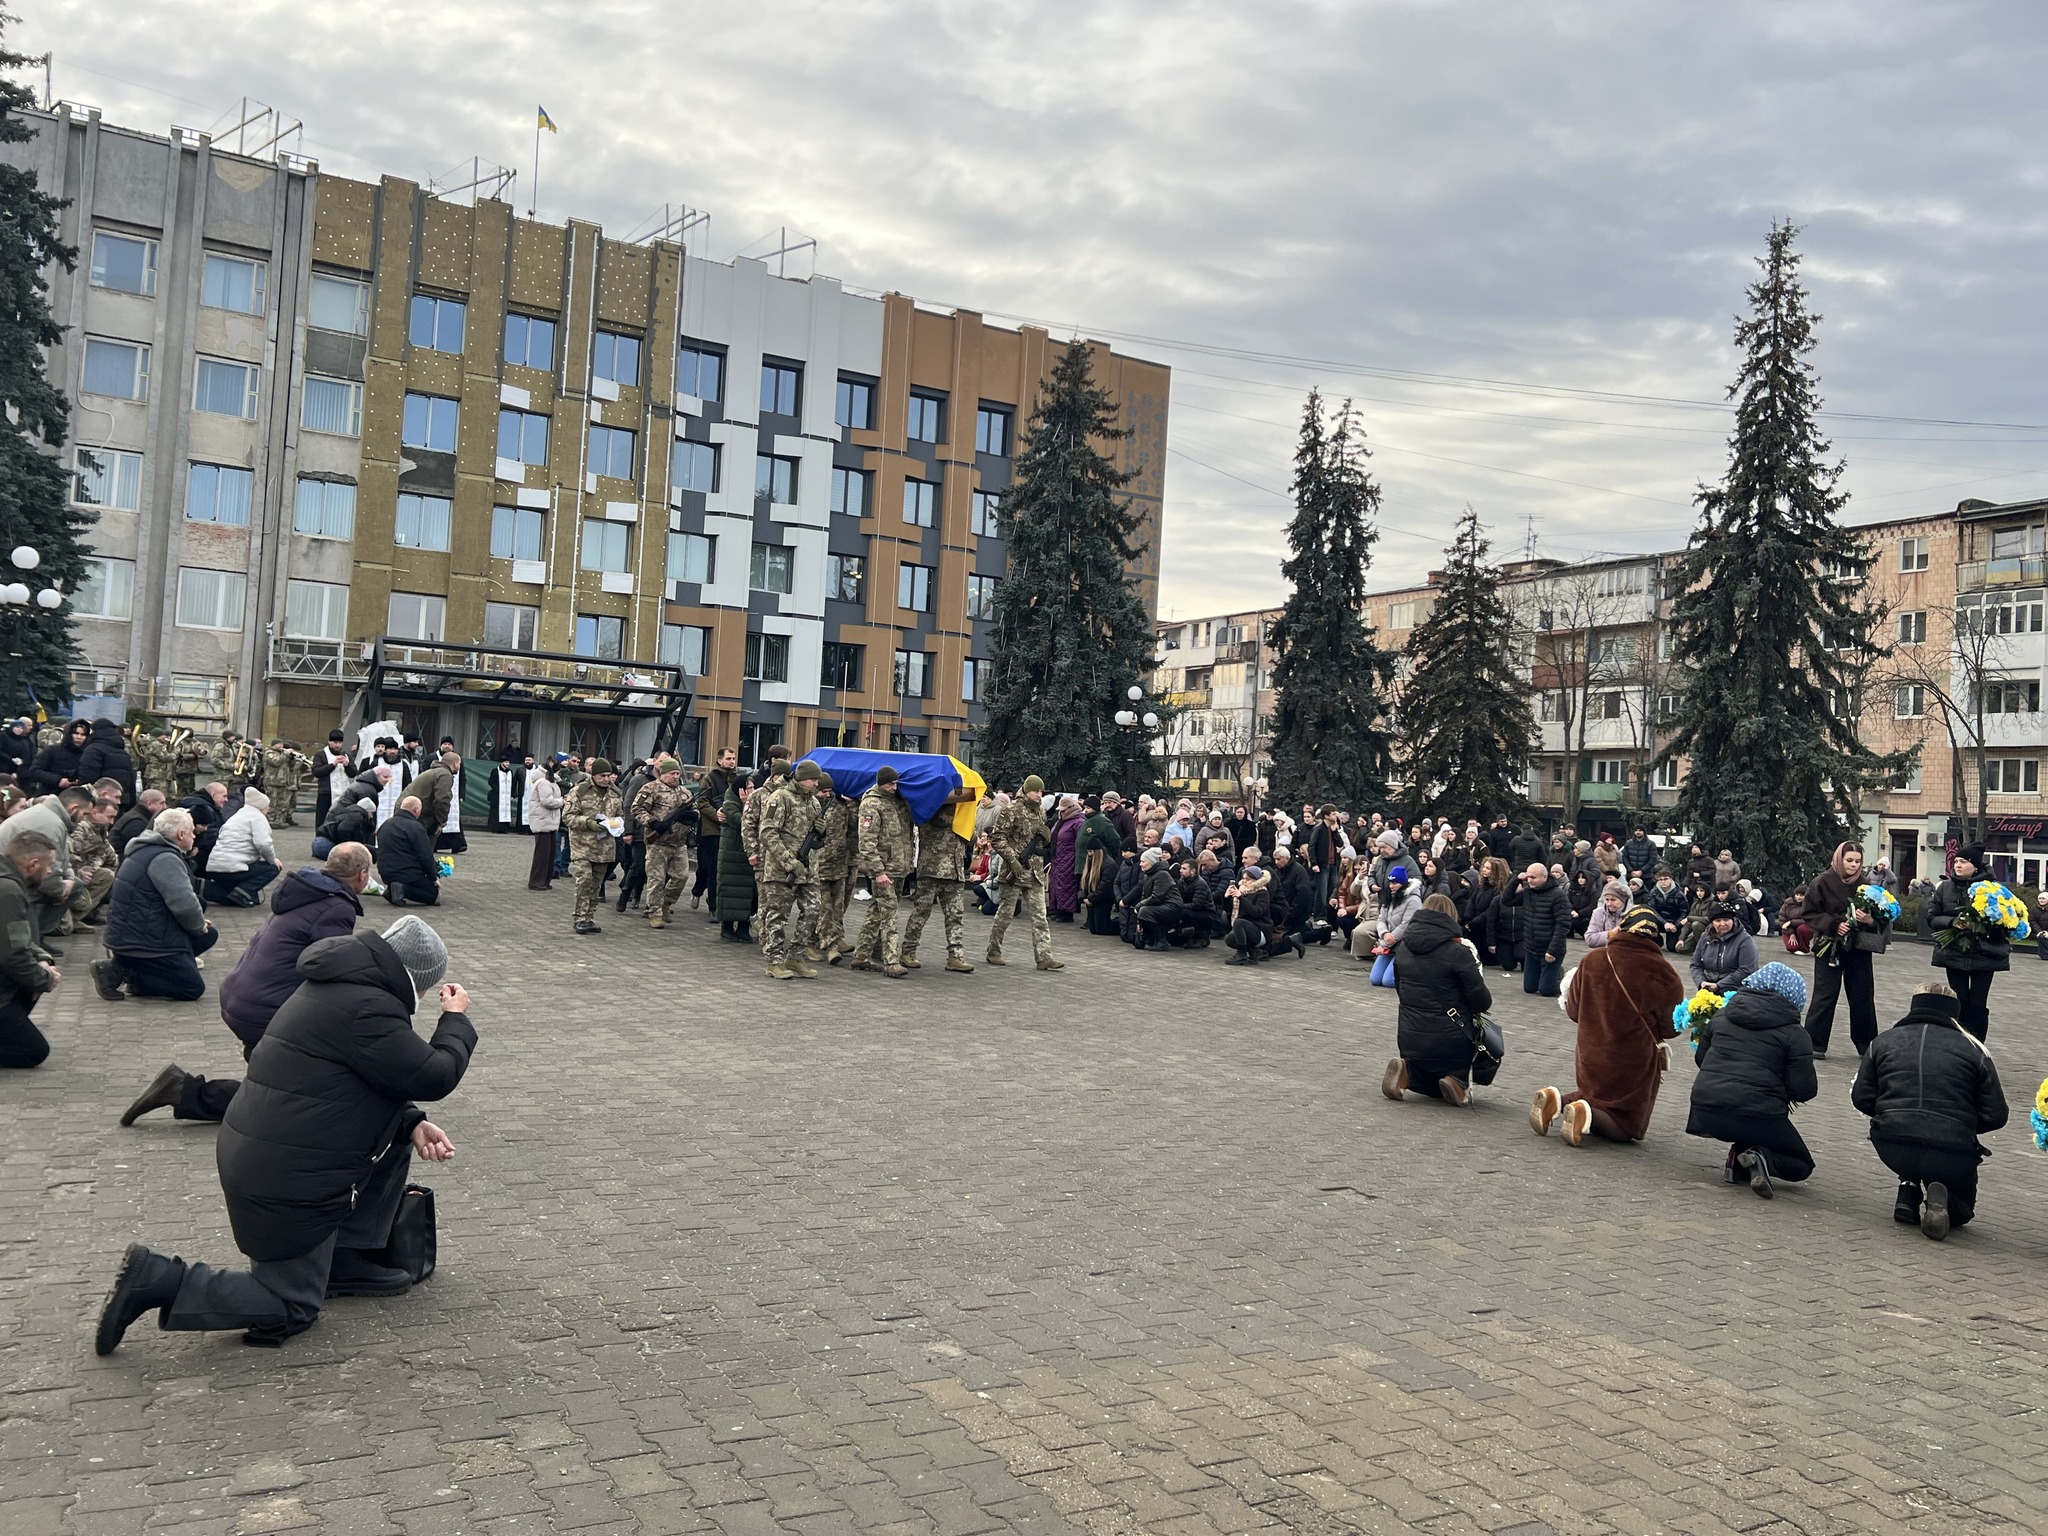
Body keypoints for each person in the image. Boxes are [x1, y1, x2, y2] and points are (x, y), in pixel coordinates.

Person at [94, 916, 474, 1353]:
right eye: (425, 990)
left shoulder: (340, 984)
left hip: (267, 1158)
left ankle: (343, 1260)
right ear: (415, 979)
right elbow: (434, 1076)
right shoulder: (368, 1006)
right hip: (286, 1178)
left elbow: (356, 1080)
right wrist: (455, 1020)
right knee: (289, 1306)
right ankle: (159, 1277)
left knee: (400, 1130)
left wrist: (410, 1121)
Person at [120, 844, 374, 1126]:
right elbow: (327, 966)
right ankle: (183, 1090)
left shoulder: (308, 891)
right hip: (265, 1009)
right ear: (362, 874)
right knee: (290, 1101)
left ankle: (252, 1066)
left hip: (243, 996)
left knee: (287, 1090)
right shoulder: (336, 905)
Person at [1852, 983, 2009, 1239]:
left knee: (1911, 1124)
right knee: (1962, 1212)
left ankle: (1908, 1190)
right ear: (1954, 1012)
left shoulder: (1882, 1041)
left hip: (1893, 1144)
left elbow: (1861, 1097)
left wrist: (1888, 1112)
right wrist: (1963, 1124)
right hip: (1952, 1150)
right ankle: (1942, 1199)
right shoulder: (1976, 1050)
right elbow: (1997, 1115)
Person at [1531, 907, 1684, 1146]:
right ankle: (1582, 1112)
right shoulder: (1664, 973)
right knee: (1624, 1123)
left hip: (1589, 1051)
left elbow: (1574, 1010)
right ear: (1654, 936)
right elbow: (1672, 1026)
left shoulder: (1594, 959)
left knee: (1595, 1094)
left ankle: (1557, 1100)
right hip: (1632, 1058)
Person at [1685, 961, 1817, 1196]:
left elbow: (1701, 1060)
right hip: (1757, 1112)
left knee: (1749, 1125)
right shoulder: (1795, 1033)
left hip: (1705, 1109)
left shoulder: (1722, 1015)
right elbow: (1804, 1090)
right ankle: (1758, 1157)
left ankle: (1736, 1162)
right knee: (1801, 1165)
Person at [93, 808, 220, 1002]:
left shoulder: (146, 850)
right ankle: (128, 974)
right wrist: (196, 924)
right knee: (192, 988)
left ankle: (133, 966)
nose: (195, 836)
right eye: (192, 831)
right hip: (141, 939)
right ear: (181, 834)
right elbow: (184, 904)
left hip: (132, 932)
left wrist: (198, 924)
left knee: (207, 935)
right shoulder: (165, 858)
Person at [1384, 892, 1493, 1106]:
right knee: (1465, 1046)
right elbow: (1481, 1001)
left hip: (1409, 1035)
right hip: (1449, 1040)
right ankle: (1456, 1080)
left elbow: (1400, 988)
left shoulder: (1404, 947)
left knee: (1419, 1060)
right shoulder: (1459, 952)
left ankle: (1407, 1072)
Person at [1801, 841, 1886, 1058]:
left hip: (1859, 947)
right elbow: (1809, 914)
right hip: (1829, 947)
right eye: (1849, 861)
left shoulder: (1867, 885)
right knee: (1825, 994)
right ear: (1839, 859)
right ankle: (1814, 1043)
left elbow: (1881, 917)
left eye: (1858, 862)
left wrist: (1868, 919)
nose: (1854, 866)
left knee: (1862, 995)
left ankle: (1866, 1044)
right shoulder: (1821, 882)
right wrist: (1834, 924)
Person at [1925, 845, 2006, 1042]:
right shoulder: (1944, 887)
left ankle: (1977, 1045)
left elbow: (2006, 922)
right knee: (1958, 1000)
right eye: (1956, 861)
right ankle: (1959, 1043)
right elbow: (1932, 918)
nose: (1958, 865)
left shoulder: (1994, 889)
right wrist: (1953, 922)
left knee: (1978, 1004)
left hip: (1984, 954)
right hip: (1954, 952)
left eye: (1963, 861)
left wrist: (1982, 924)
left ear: (1975, 866)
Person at [756, 760, 824, 979]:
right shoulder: (780, 797)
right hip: (780, 870)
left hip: (808, 869)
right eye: (813, 779)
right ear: (801, 778)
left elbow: (815, 839)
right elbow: (767, 832)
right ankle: (774, 961)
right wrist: (789, 862)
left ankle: (796, 956)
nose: (816, 783)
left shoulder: (813, 802)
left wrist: (822, 834)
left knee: (814, 910)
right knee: (777, 915)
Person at [0, 829, 61, 1068]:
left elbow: (17, 940)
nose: (49, 872)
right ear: (33, 864)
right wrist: (43, 979)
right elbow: (12, 954)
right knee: (33, 1051)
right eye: (49, 866)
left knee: (40, 970)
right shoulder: (8, 891)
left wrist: (43, 959)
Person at [987, 775, 1061, 970]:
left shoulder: (1041, 812)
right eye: (1036, 791)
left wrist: (1046, 838)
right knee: (1006, 913)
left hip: (1035, 870)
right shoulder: (1011, 810)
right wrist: (1012, 860)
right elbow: (997, 839)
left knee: (1040, 916)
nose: (1039, 795)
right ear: (1026, 791)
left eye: (1041, 792)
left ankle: (1044, 957)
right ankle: (993, 950)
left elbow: (1039, 841)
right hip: (1016, 870)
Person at [850, 767, 913, 976]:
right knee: (890, 914)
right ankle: (891, 961)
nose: (894, 788)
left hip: (898, 868)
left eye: (896, 784)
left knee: (876, 912)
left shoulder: (898, 802)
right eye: (890, 784)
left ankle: (861, 955)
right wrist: (878, 872)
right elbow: (866, 842)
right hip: (884, 870)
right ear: (880, 783)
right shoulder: (871, 804)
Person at [902, 797, 976, 973]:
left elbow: (971, 837)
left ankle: (956, 956)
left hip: (955, 869)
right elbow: (939, 821)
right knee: (921, 912)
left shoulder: (963, 811)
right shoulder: (929, 806)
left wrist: (966, 817)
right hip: (932, 868)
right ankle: (908, 951)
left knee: (955, 915)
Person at [631, 757, 695, 929]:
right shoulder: (651, 789)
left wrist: (691, 817)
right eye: (672, 773)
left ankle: (666, 903)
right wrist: (652, 822)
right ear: (663, 773)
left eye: (678, 773)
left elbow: (694, 810)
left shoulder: (685, 792)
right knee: (656, 879)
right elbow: (636, 808)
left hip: (679, 842)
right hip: (658, 842)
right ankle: (655, 912)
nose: (675, 776)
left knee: (681, 876)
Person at [562, 758, 622, 934]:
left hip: (604, 846)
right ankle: (579, 917)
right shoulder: (579, 791)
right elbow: (568, 816)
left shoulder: (615, 793)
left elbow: (620, 815)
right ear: (593, 775)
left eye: (608, 775)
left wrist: (615, 824)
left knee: (596, 884)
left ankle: (589, 917)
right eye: (602, 776)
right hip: (582, 845)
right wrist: (588, 823)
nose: (606, 779)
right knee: (584, 880)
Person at [204, 788, 284, 907]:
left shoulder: (237, 816)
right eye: (268, 807)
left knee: (232, 896)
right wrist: (272, 859)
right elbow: (263, 844)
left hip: (215, 867)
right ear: (262, 807)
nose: (268, 810)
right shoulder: (258, 817)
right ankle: (243, 892)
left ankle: (208, 890)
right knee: (272, 868)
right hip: (234, 868)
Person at [1505, 861, 1571, 997]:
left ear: (1545, 877)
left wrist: (1553, 950)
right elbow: (1507, 900)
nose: (1529, 880)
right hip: (1531, 947)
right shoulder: (1528, 892)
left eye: (1533, 877)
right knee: (1530, 988)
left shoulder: (1558, 895)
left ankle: (1561, 977)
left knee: (1546, 990)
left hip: (1550, 949)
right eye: (1528, 877)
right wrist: (1516, 879)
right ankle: (1549, 975)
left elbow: (1563, 925)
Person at [693, 745, 738, 914]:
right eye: (728, 758)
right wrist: (716, 814)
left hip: (730, 830)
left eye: (733, 759)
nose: (731, 762)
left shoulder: (735, 778)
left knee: (723, 871)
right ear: (720, 760)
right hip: (711, 830)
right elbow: (702, 801)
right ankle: (711, 906)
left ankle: (718, 903)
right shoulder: (709, 778)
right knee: (710, 869)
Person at [373, 795, 440, 907]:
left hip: (386, 872)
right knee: (433, 895)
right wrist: (433, 877)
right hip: (407, 873)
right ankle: (401, 888)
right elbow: (425, 855)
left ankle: (393, 889)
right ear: (417, 810)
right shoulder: (415, 827)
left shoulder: (386, 824)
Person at [715, 778, 757, 943]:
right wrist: (747, 804)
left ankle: (743, 926)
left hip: (747, 854)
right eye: (749, 788)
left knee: (748, 893)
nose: (752, 791)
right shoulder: (730, 804)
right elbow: (743, 821)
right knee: (730, 891)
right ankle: (726, 927)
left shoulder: (754, 801)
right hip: (732, 854)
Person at [1223, 850, 1277, 966]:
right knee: (1230, 938)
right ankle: (1253, 951)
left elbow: (1257, 912)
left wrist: (1241, 898)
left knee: (1239, 923)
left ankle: (1242, 954)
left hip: (1261, 930)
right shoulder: (1242, 891)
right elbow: (1229, 911)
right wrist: (1227, 897)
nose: (1244, 882)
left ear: (1256, 880)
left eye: (1248, 880)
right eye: (1243, 879)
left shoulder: (1262, 892)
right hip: (1248, 928)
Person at [1689, 904, 1760, 991]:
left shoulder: (1745, 940)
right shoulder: (1705, 937)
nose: (1722, 923)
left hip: (1736, 988)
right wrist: (1701, 982)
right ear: (1712, 922)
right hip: (1707, 986)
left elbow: (1747, 970)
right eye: (1718, 920)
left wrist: (1719, 985)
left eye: (1726, 920)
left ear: (1733, 920)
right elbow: (1695, 964)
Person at [77, 718, 137, 809]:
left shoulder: (93, 749)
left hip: (99, 802)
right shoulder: (123, 753)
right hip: (121, 801)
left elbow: (87, 776)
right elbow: (131, 779)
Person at [1268, 844, 1313, 957]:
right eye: (1275, 859)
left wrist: (1288, 914)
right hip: (1285, 911)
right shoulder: (1278, 871)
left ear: (1287, 858)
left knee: (1282, 937)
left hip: (1296, 913)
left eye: (1279, 859)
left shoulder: (1298, 871)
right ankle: (1314, 930)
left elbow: (1302, 896)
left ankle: (1317, 931)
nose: (1276, 862)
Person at [24, 718, 89, 796]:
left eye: (83, 734)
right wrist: (58, 780)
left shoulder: (87, 754)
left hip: (74, 796)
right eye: (76, 733)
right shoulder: (52, 750)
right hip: (49, 794)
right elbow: (34, 771)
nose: (79, 737)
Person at [524, 762, 563, 891]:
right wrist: (562, 801)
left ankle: (545, 880)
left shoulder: (550, 782)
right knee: (542, 854)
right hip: (543, 821)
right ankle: (536, 881)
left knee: (549, 854)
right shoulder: (543, 782)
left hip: (549, 821)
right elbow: (547, 801)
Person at [1048, 797, 1083, 923]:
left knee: (1067, 885)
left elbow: (1080, 842)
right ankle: (1057, 909)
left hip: (1069, 858)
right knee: (1057, 884)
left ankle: (1066, 912)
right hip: (1058, 857)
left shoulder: (1078, 822)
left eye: (1063, 810)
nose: (1061, 812)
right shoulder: (1061, 821)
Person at [111, 788, 166, 862]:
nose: (165, 807)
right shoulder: (135, 822)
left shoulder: (138, 816)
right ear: (149, 804)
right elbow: (139, 849)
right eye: (161, 803)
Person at [1646, 870, 1688, 950]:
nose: (1663, 881)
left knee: (1672, 948)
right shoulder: (1653, 893)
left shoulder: (1679, 894)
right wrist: (1664, 923)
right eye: (1660, 880)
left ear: (1671, 880)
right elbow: (1652, 910)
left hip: (1674, 922)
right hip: (1659, 921)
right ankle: (1658, 939)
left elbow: (1684, 911)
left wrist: (1677, 925)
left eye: (1665, 879)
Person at [1583, 881, 1628, 948]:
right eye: (1607, 899)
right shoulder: (1597, 913)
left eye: (1613, 900)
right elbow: (1589, 939)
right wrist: (1610, 934)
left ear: (1622, 900)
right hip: (1602, 954)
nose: (1609, 904)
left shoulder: (1632, 914)